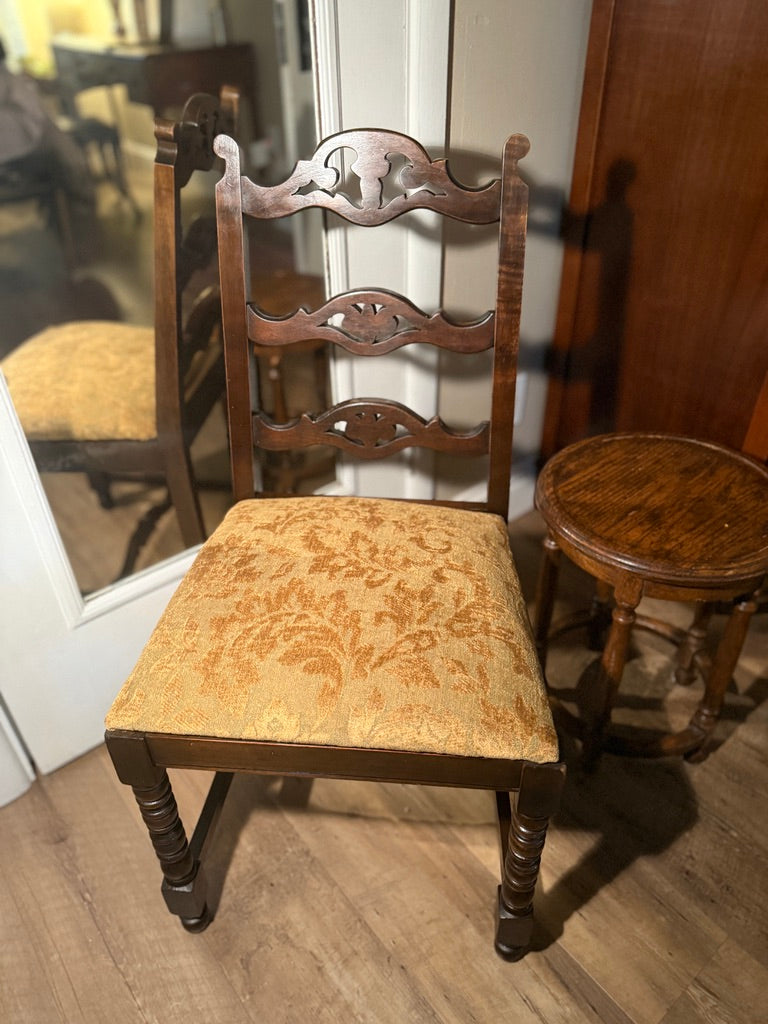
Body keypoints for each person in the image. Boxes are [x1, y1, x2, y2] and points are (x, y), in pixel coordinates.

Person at [0, 38, 93, 206]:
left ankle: (70, 201)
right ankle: (79, 201)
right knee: (67, 157)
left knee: (62, 148)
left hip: (24, 144)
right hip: (22, 149)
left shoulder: (11, 79)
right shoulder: (8, 80)